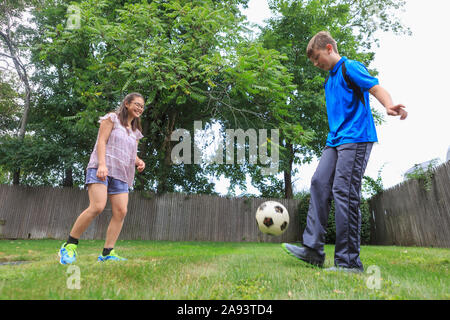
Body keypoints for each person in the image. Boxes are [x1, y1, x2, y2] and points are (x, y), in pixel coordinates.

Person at [282, 31, 407, 273]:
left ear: (329, 48)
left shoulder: (350, 67)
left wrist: (389, 105)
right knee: (319, 182)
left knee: (344, 190)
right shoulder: (329, 80)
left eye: (318, 58)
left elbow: (375, 87)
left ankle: (349, 262)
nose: (316, 64)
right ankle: (313, 251)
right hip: (335, 139)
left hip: (356, 137)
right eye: (314, 62)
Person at [59, 92, 146, 264]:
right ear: (127, 104)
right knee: (97, 206)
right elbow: (102, 142)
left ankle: (107, 253)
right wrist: (102, 165)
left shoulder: (136, 131)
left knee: (121, 211)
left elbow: (130, 153)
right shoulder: (111, 118)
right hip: (102, 169)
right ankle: (69, 246)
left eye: (142, 106)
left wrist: (139, 161)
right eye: (137, 104)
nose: (140, 108)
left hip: (121, 173)